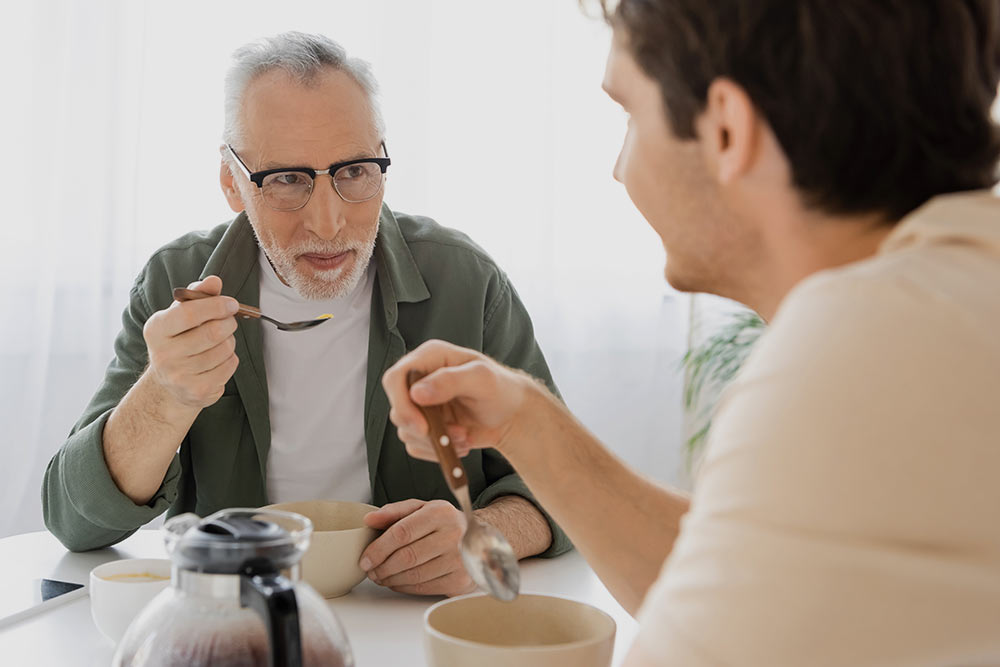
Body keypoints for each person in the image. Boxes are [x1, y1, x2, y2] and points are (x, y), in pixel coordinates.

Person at [383, 1, 1000, 662]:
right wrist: (526, 423)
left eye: (631, 116)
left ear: (728, 131)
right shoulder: (950, 297)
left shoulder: (854, 354)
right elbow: (746, 570)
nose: (620, 169)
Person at [42, 31, 569, 596]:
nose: (327, 222)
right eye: (287, 179)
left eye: (354, 171)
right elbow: (76, 522)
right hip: (236, 615)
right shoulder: (179, 285)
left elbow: (566, 485)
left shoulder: (465, 281)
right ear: (231, 182)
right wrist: (164, 397)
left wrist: (484, 532)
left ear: (383, 164)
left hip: (410, 618)